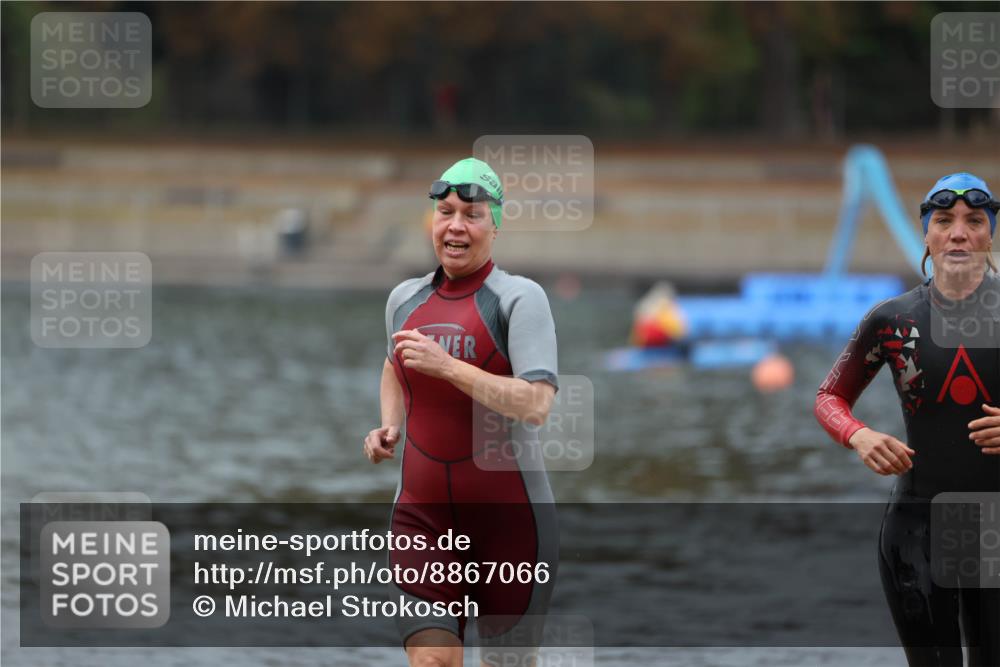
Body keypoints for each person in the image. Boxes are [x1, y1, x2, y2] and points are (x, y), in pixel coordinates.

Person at [364, 158, 560, 667]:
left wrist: (448, 368)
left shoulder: (519, 299)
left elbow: (536, 404)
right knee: (432, 662)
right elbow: (394, 365)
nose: (456, 225)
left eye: (472, 214)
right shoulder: (405, 300)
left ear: (495, 225)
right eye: (445, 211)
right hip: (421, 516)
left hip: (510, 525)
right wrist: (391, 425)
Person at [815, 172, 1000, 666]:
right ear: (927, 234)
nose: (958, 232)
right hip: (918, 530)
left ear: (990, 233)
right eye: (944, 220)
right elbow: (829, 396)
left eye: (974, 221)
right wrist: (859, 435)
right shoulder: (892, 320)